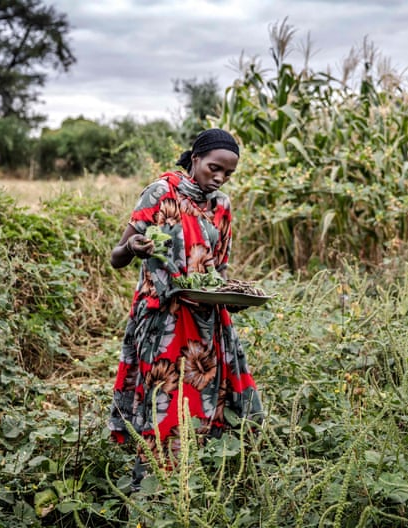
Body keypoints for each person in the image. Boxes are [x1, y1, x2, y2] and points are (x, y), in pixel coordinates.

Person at [108, 128, 263, 485]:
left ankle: (196, 485)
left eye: (228, 174)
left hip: (207, 324)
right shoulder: (161, 193)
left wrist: (232, 298)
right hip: (163, 323)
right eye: (214, 168)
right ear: (194, 158)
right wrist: (133, 248)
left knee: (204, 405)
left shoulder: (221, 206)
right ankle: (151, 491)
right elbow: (116, 258)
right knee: (164, 406)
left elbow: (218, 270)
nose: (220, 178)